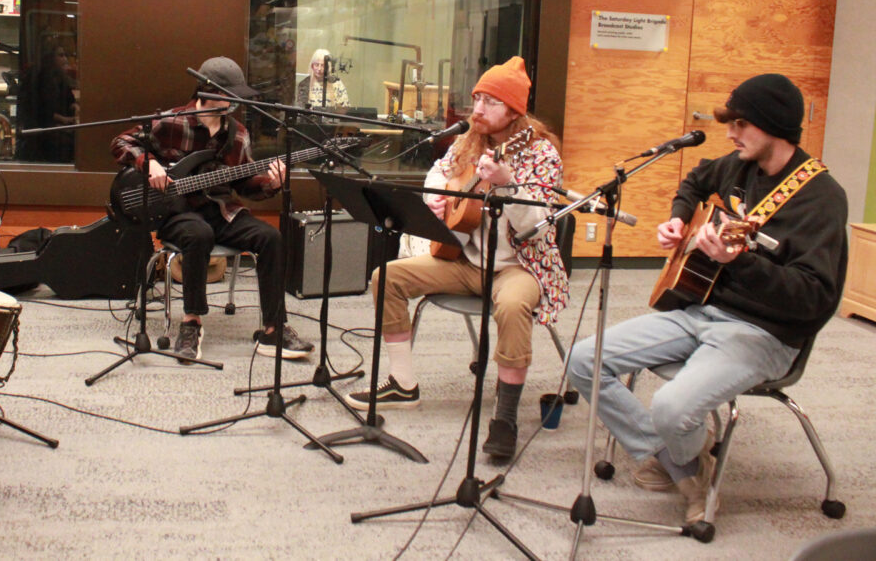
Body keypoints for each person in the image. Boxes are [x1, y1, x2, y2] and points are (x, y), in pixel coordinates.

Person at [567, 73, 848, 525]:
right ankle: (688, 468)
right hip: (701, 307)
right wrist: (678, 220)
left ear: (774, 126)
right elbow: (695, 182)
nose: (731, 134)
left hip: (766, 333)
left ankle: (681, 467)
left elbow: (814, 298)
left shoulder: (822, 199)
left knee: (670, 407)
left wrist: (740, 263)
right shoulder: (739, 166)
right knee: (583, 359)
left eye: (741, 124)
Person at [345, 56, 570, 460]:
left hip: (519, 266)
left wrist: (508, 185)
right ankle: (402, 382)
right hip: (463, 261)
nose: (478, 109)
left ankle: (504, 419)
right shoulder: (472, 141)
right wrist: (438, 196)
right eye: (477, 98)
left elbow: (533, 225)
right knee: (386, 277)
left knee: (515, 305)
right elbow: (438, 171)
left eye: (490, 102)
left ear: (515, 111)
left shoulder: (540, 154)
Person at [110, 56, 315, 361]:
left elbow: (246, 186)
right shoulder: (170, 122)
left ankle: (274, 327)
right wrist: (149, 164)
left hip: (222, 211)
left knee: (270, 237)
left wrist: (272, 182)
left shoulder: (238, 134)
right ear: (207, 92)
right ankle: (191, 322)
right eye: (229, 96)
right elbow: (120, 143)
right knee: (199, 234)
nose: (234, 103)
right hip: (175, 213)